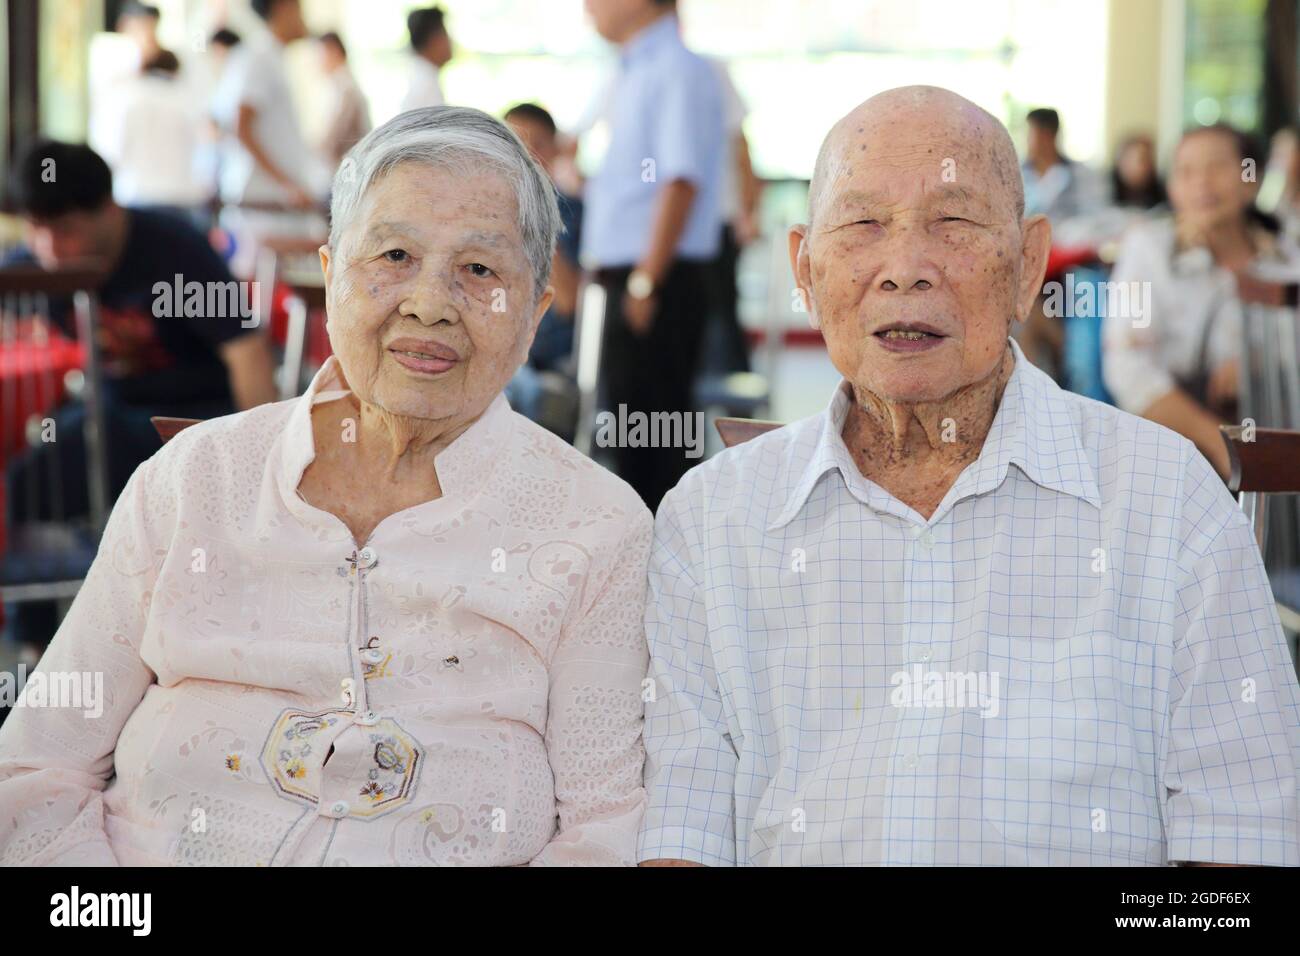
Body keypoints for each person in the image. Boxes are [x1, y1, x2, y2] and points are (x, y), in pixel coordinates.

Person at [638, 86, 1300, 866]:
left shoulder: (1168, 503)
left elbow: (1242, 846)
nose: (905, 270)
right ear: (806, 271)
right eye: (862, 224)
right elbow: (682, 836)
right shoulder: (709, 522)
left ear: (1027, 266)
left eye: (952, 222)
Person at [0, 107, 652, 866]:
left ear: (536, 310)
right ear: (331, 269)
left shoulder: (598, 528)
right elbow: (35, 768)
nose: (430, 303)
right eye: (395, 255)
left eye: (480, 270)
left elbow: (604, 829)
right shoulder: (194, 479)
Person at [2, 140, 277, 649]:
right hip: (109, 414)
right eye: (37, 229)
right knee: (25, 484)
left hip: (193, 417)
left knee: (109, 456)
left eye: (65, 230)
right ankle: (38, 652)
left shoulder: (173, 248)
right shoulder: (36, 266)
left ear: (108, 209)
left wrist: (261, 458)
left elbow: (247, 353)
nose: (49, 248)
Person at [581, 0, 725, 509]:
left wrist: (646, 281)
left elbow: (680, 179)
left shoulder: (675, 70)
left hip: (659, 276)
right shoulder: (633, 70)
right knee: (627, 429)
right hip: (640, 273)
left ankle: (664, 564)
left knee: (655, 433)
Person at [1103, 124, 1287, 479]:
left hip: (1277, 446)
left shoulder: (1285, 255)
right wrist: (1223, 445)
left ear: (1252, 177)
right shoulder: (1149, 248)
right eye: (1185, 171)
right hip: (1172, 453)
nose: (1201, 182)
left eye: (1217, 167)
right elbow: (1129, 368)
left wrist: (1252, 365)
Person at [219, 0, 324, 277]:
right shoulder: (258, 56)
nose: (304, 18)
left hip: (275, 199)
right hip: (263, 200)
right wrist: (286, 184)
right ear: (284, 7)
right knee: (256, 292)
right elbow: (241, 126)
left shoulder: (271, 56)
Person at [98, 50, 211, 231]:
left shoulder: (127, 99)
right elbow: (205, 148)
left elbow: (113, 151)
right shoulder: (188, 100)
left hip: (138, 196)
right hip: (184, 198)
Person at [1021, 107, 1100, 225]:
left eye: (1030, 134)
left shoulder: (1079, 174)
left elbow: (1093, 214)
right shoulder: (1017, 174)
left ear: (1047, 135)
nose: (1026, 140)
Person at [316, 32, 371, 172]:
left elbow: (333, 137)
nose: (317, 62)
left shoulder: (346, 88)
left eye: (320, 54)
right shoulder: (339, 86)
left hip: (350, 170)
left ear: (333, 51)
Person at [399, 6, 453, 114]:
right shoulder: (425, 85)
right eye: (445, 34)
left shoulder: (421, 76)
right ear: (434, 40)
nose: (450, 41)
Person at [1110, 133, 1166, 209]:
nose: (1135, 165)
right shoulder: (1107, 187)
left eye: (1145, 158)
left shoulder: (1160, 189)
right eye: (1130, 159)